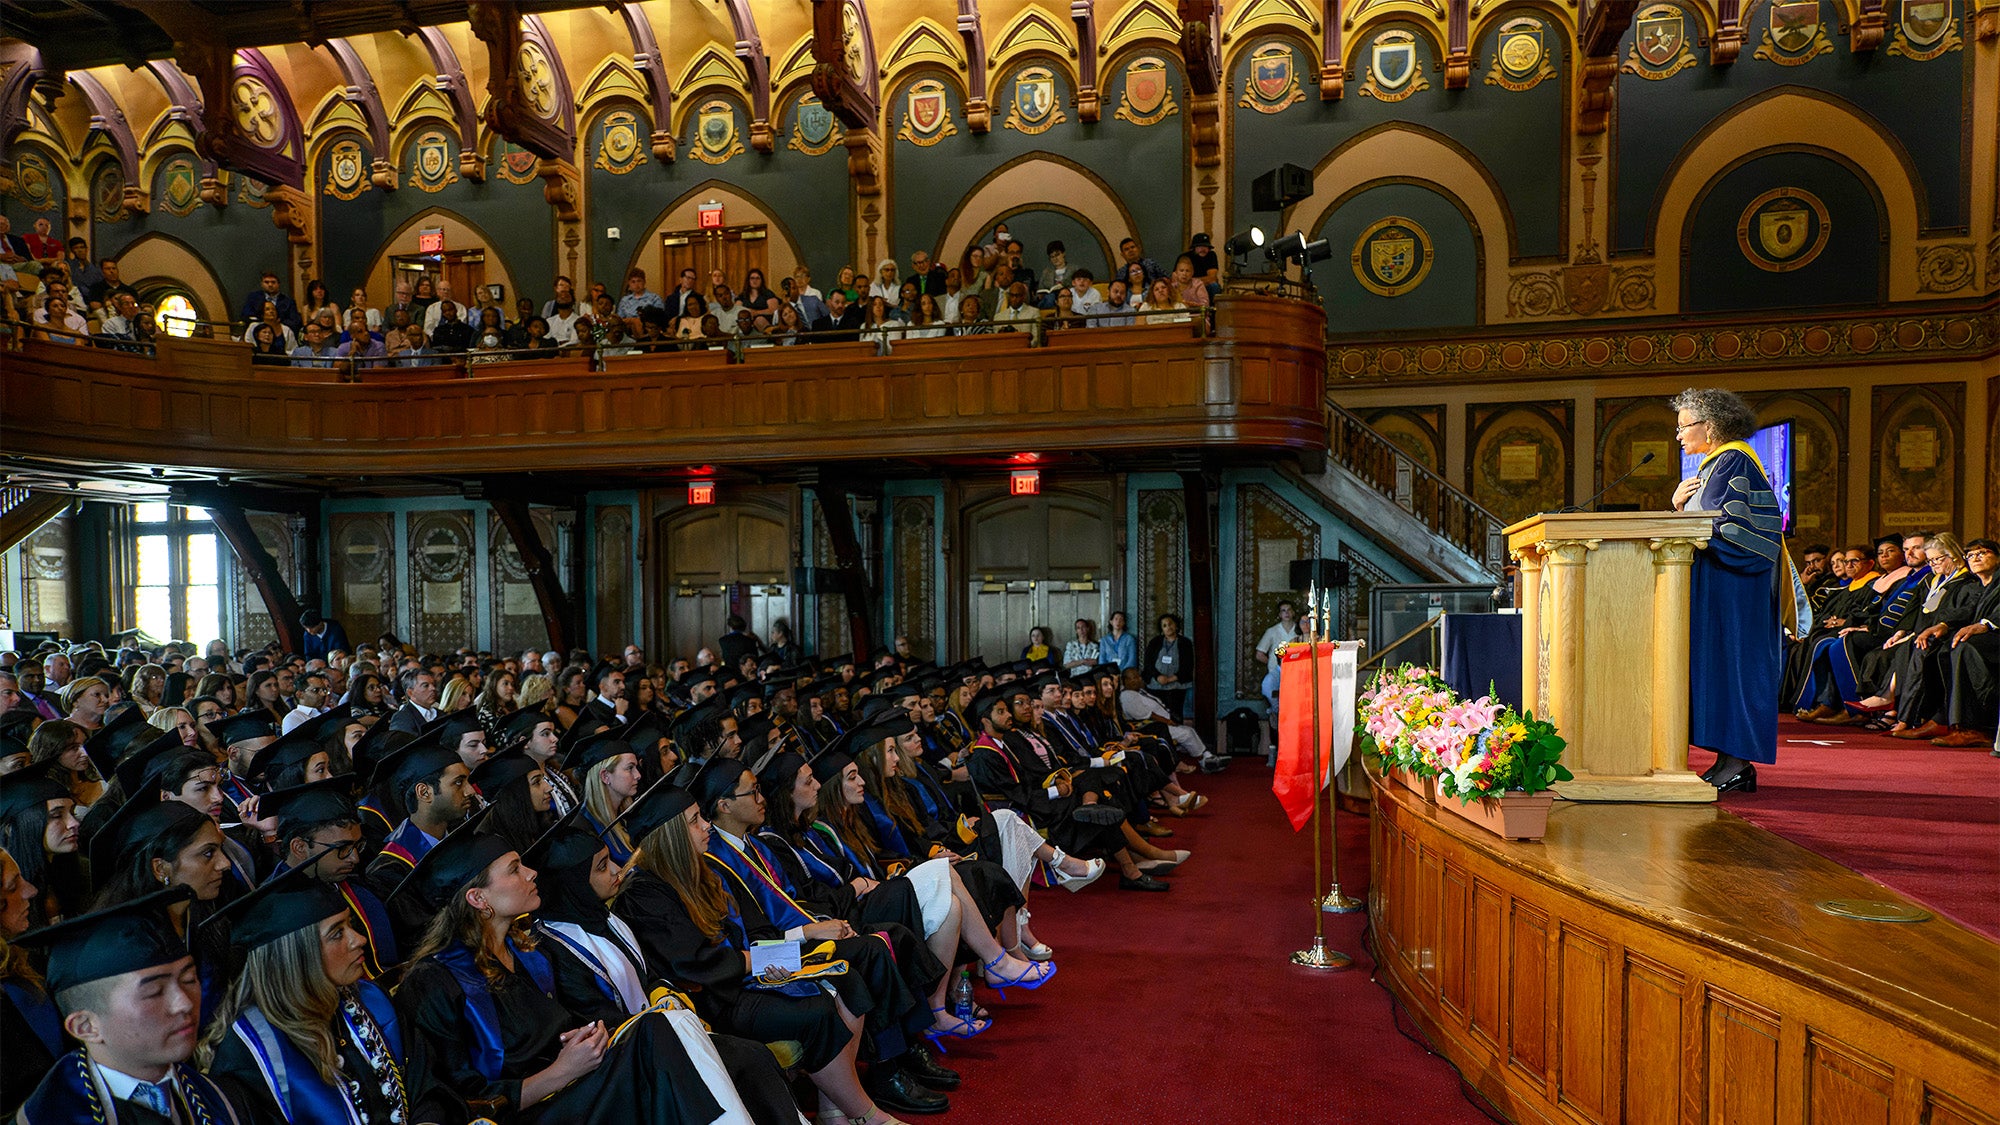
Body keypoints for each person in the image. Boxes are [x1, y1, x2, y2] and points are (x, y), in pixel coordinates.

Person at [394, 812, 741, 1124]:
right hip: (533, 1111)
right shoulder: (435, 982)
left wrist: (581, 1040)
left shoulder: (526, 952)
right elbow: (465, 1099)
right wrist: (560, 1071)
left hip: (573, 1088)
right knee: (663, 1037)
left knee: (734, 1056)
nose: (532, 873)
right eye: (515, 869)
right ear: (477, 898)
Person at [609, 782, 919, 1125]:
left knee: (847, 979)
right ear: (670, 835)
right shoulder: (645, 893)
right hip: (711, 999)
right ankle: (866, 1114)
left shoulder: (699, 870)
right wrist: (760, 961)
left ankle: (833, 1111)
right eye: (695, 820)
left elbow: (741, 934)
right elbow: (694, 962)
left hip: (738, 978)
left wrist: (772, 958)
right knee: (816, 1011)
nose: (706, 825)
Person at [523, 813, 805, 1125]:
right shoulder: (551, 947)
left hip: (662, 1028)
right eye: (602, 867)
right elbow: (591, 1016)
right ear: (573, 884)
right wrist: (657, 1018)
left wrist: (663, 996)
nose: (617, 870)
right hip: (625, 1056)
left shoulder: (607, 918)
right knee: (729, 1067)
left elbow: (650, 976)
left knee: (753, 1056)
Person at [198, 859, 424, 1124]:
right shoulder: (249, 1054)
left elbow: (425, 1085)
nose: (359, 939)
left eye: (350, 925)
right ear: (295, 957)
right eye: (337, 934)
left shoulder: (371, 1001)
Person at [10, 887, 250, 1124]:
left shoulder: (226, 1102)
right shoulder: (48, 1117)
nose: (184, 1003)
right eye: (155, 992)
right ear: (85, 1026)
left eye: (189, 980)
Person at [1670, 388, 1784, 795]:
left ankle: (1736, 762)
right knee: (1718, 670)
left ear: (1711, 425)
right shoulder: (1717, 465)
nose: (1679, 435)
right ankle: (1727, 762)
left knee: (1732, 668)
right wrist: (1680, 512)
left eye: (1685, 426)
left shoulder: (1733, 460)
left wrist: (1682, 520)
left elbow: (1729, 532)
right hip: (1720, 588)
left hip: (1733, 592)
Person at [1142, 613, 1195, 718]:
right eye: (1164, 625)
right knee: (1157, 715)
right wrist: (1158, 676)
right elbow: (1148, 663)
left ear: (1176, 625)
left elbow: (1188, 665)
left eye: (1170, 624)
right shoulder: (1155, 642)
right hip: (1156, 685)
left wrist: (1171, 679)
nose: (1168, 627)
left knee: (1175, 715)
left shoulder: (1185, 643)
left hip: (1176, 686)